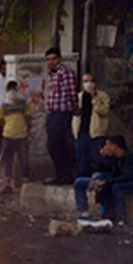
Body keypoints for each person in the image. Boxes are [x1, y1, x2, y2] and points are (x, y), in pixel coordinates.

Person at [74, 136, 133, 228]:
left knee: (118, 187)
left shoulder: (129, 156)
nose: (106, 147)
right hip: (132, 180)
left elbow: (128, 176)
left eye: (108, 144)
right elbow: (114, 174)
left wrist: (107, 182)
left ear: (115, 146)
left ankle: (121, 219)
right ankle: (97, 213)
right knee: (90, 183)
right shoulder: (116, 158)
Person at [44, 47, 78, 185]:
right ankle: (60, 174)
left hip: (62, 113)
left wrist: (74, 108)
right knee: (53, 145)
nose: (51, 62)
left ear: (59, 59)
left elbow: (71, 92)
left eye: (53, 59)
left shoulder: (65, 72)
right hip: (53, 112)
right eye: (48, 60)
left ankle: (66, 175)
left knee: (59, 144)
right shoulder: (53, 74)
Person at [72, 73, 111, 179]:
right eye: (85, 81)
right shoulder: (79, 96)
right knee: (81, 159)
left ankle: (99, 178)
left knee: (97, 158)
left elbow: (104, 111)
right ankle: (82, 180)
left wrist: (94, 99)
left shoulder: (102, 96)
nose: (88, 84)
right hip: (81, 131)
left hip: (96, 132)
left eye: (90, 81)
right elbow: (75, 112)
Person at [0, 81, 30, 194]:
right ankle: (8, 184)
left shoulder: (24, 103)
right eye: (10, 89)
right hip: (8, 136)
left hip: (22, 136)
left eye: (14, 89)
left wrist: (26, 129)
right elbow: (0, 119)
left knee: (24, 160)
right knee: (8, 161)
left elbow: (28, 117)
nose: (12, 92)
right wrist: (8, 127)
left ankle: (24, 184)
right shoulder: (3, 106)